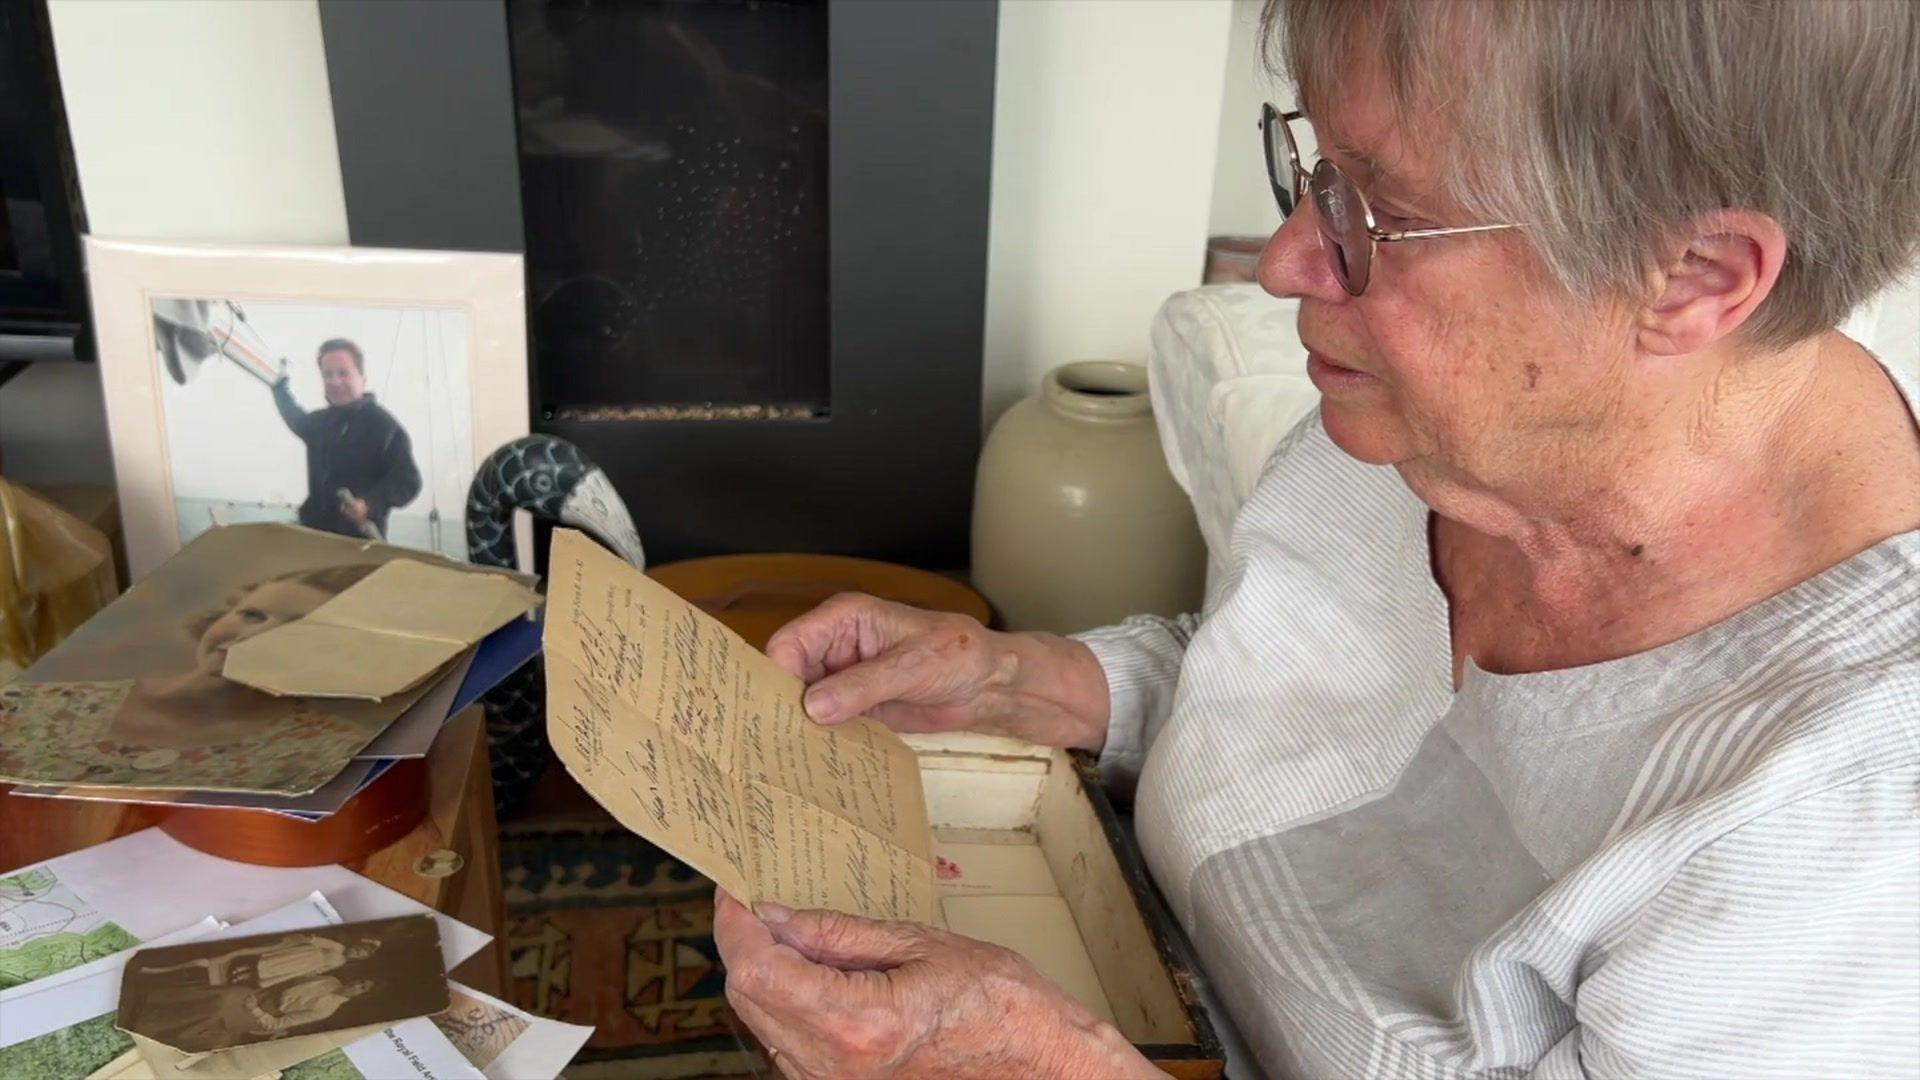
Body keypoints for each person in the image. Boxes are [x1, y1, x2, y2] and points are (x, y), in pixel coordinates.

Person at [712, 1, 1920, 1076]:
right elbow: (1279, 677)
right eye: (1314, 169)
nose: (1287, 261)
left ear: (1696, 277)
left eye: (1376, 211)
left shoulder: (1842, 844)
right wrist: (1023, 677)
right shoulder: (1441, 430)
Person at [272, 338, 422, 541]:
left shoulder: (384, 427)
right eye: (327, 375)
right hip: (313, 535)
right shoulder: (319, 423)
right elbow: (294, 416)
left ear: (362, 377)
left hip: (358, 542)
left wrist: (368, 504)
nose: (335, 381)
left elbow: (409, 482)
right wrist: (280, 389)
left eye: (343, 373)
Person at [136, 934, 381, 990]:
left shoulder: (338, 963)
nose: (357, 954)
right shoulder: (336, 946)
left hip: (279, 973)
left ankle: (161, 982)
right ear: (356, 946)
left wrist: (308, 977)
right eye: (359, 950)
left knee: (218, 981)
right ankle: (159, 970)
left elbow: (313, 972)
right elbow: (304, 940)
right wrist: (280, 945)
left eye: (361, 956)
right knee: (209, 963)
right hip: (273, 959)